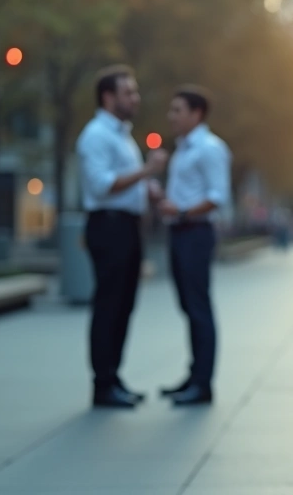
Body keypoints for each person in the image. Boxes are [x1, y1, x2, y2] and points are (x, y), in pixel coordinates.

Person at [77, 64, 167, 408]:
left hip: (127, 225)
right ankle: (102, 385)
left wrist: (148, 188)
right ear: (108, 96)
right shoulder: (95, 136)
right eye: (128, 92)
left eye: (135, 91)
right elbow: (102, 186)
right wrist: (146, 171)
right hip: (108, 225)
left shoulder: (122, 135)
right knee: (109, 305)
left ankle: (113, 378)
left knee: (124, 305)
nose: (135, 98)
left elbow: (126, 183)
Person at [154, 87, 231, 406]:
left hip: (195, 232)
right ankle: (194, 375)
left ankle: (203, 384)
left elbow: (217, 196)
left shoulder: (210, 148)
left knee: (198, 307)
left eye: (177, 110)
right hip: (180, 231)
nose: (171, 116)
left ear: (196, 114)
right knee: (188, 306)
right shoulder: (183, 149)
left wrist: (183, 212)